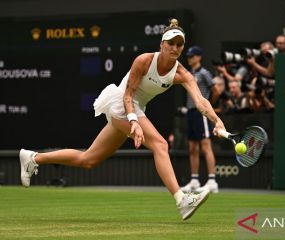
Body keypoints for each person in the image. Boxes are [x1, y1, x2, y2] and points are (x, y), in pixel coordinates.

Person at [19, 19, 226, 220]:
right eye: (170, 43)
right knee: (160, 144)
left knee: (88, 160)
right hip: (121, 103)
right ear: (161, 44)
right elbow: (128, 95)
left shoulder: (182, 73)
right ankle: (182, 200)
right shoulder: (144, 61)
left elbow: (200, 101)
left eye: (179, 44)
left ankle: (33, 158)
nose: (175, 48)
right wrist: (134, 121)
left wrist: (216, 120)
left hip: (135, 109)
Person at [181, 46, 219, 193]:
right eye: (188, 56)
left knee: (205, 146)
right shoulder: (188, 74)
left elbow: (215, 91)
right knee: (192, 148)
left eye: (192, 56)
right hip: (191, 113)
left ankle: (212, 181)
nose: (189, 59)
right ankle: (195, 180)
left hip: (201, 113)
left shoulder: (204, 73)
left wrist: (209, 106)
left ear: (199, 57)